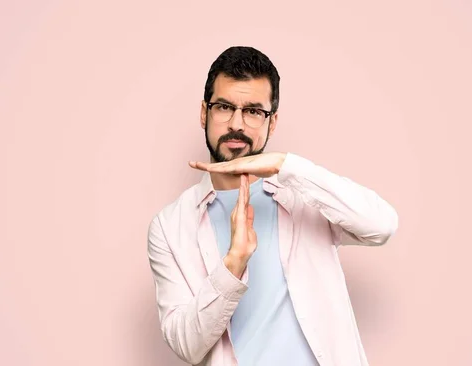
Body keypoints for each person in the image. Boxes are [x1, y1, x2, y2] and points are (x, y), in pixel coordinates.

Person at [147, 46, 399, 366]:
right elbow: (186, 345)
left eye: (253, 111)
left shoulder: (301, 192)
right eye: (224, 106)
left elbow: (381, 225)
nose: (236, 123)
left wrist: (285, 164)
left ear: (273, 121)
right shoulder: (170, 226)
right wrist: (233, 264)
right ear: (203, 112)